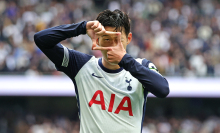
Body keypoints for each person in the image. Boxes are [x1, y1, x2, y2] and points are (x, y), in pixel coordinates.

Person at [34, 9, 169, 133]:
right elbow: (41, 39)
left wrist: (125, 60)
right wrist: (82, 27)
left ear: (128, 39)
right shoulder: (81, 65)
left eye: (118, 40)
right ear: (97, 40)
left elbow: (163, 90)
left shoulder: (141, 65)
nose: (112, 46)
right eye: (106, 39)